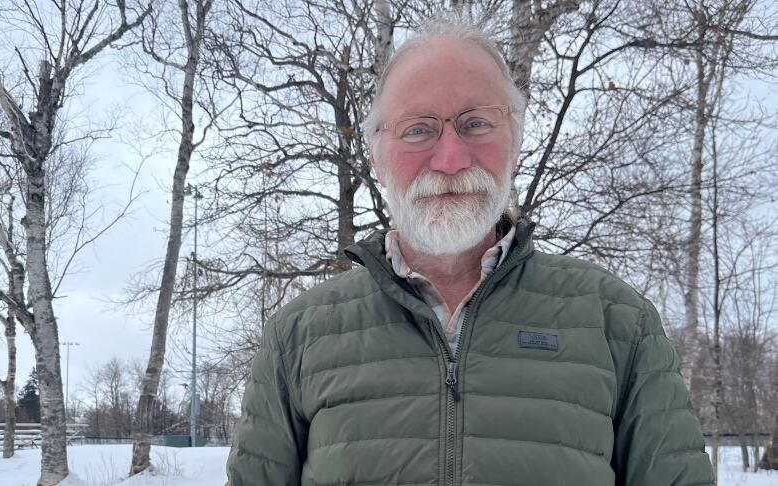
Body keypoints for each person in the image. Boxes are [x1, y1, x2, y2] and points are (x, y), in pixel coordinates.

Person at [226, 16, 715, 486]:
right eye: (418, 129)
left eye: (476, 124)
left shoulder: (618, 323)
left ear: (516, 142)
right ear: (376, 157)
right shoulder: (298, 337)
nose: (451, 159)